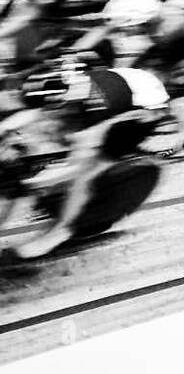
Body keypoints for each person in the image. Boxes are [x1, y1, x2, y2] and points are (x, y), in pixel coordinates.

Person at [1, 57, 169, 259]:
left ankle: (61, 231)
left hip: (139, 115)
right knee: (52, 132)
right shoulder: (67, 85)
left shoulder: (97, 123)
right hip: (121, 85)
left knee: (86, 174)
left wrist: (31, 184)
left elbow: (77, 166)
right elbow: (36, 112)